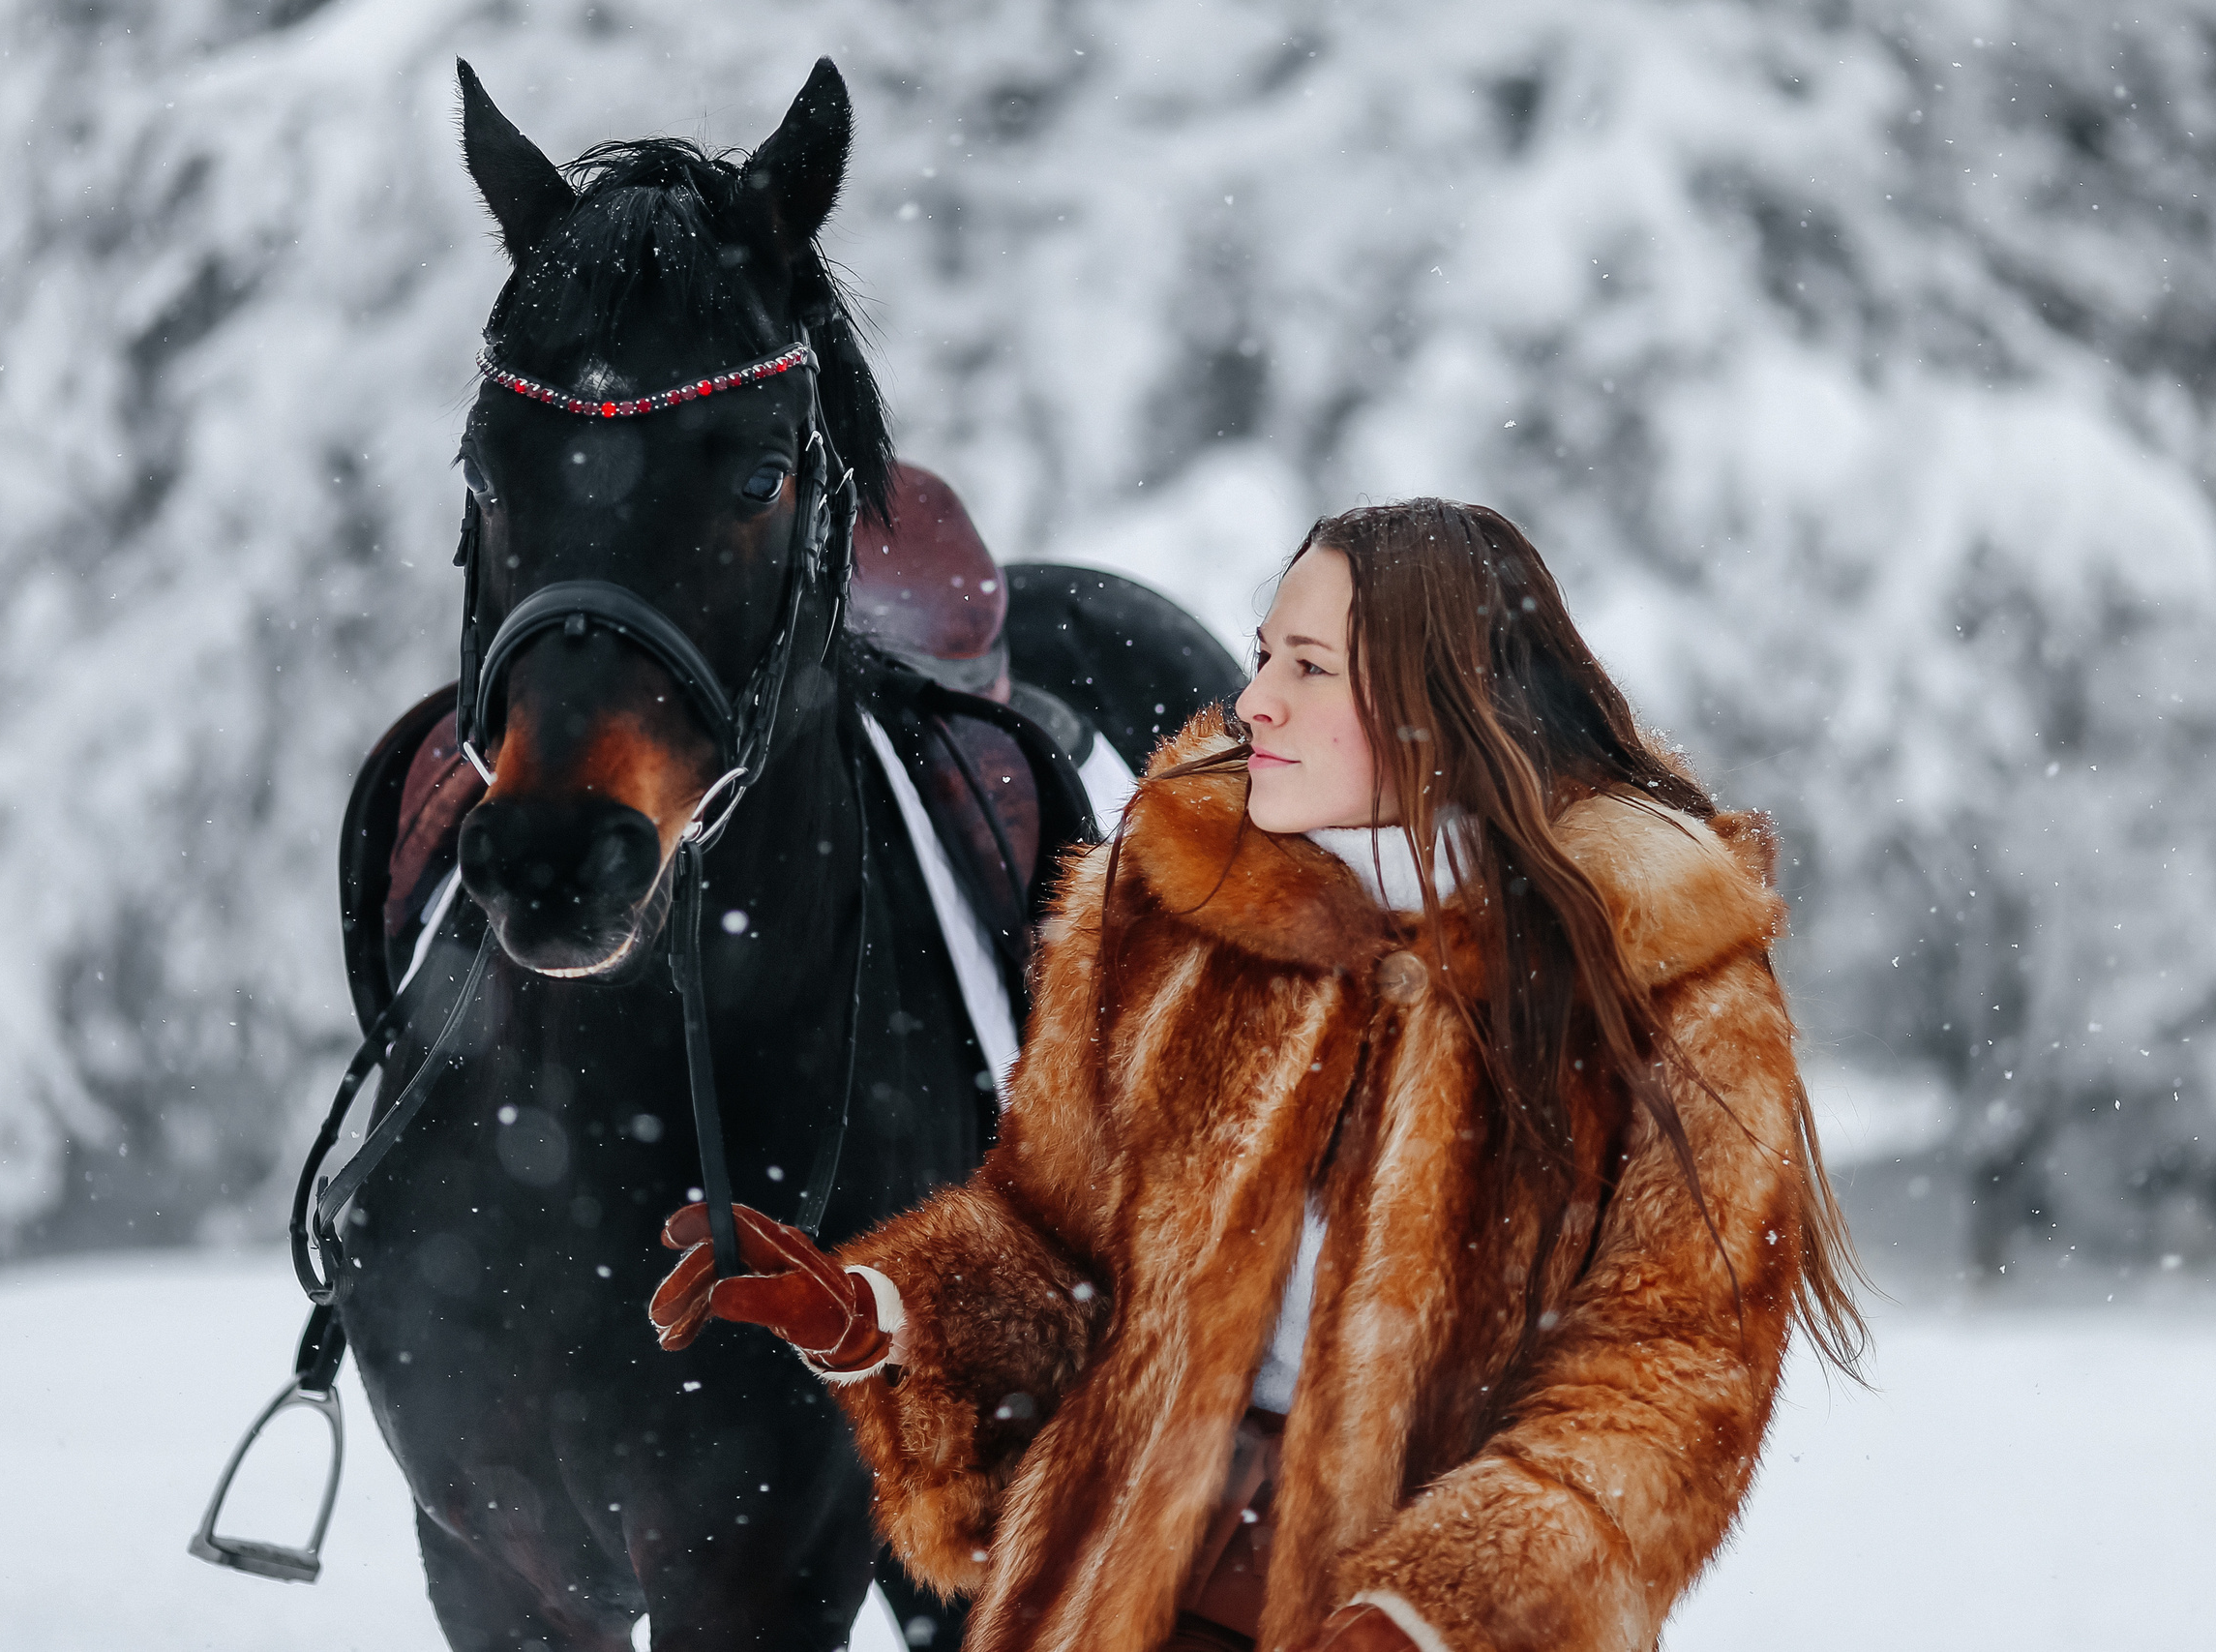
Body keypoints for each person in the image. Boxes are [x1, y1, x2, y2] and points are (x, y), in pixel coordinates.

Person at [648, 499, 1865, 1652]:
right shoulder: (1173, 913)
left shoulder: (1661, 983)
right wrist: (885, 1311)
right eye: (1260, 655)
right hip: (1127, 1593)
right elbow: (1052, 1249)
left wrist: (1438, 1605)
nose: (1251, 703)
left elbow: (1671, 1373)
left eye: (1307, 667)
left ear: (1439, 704)